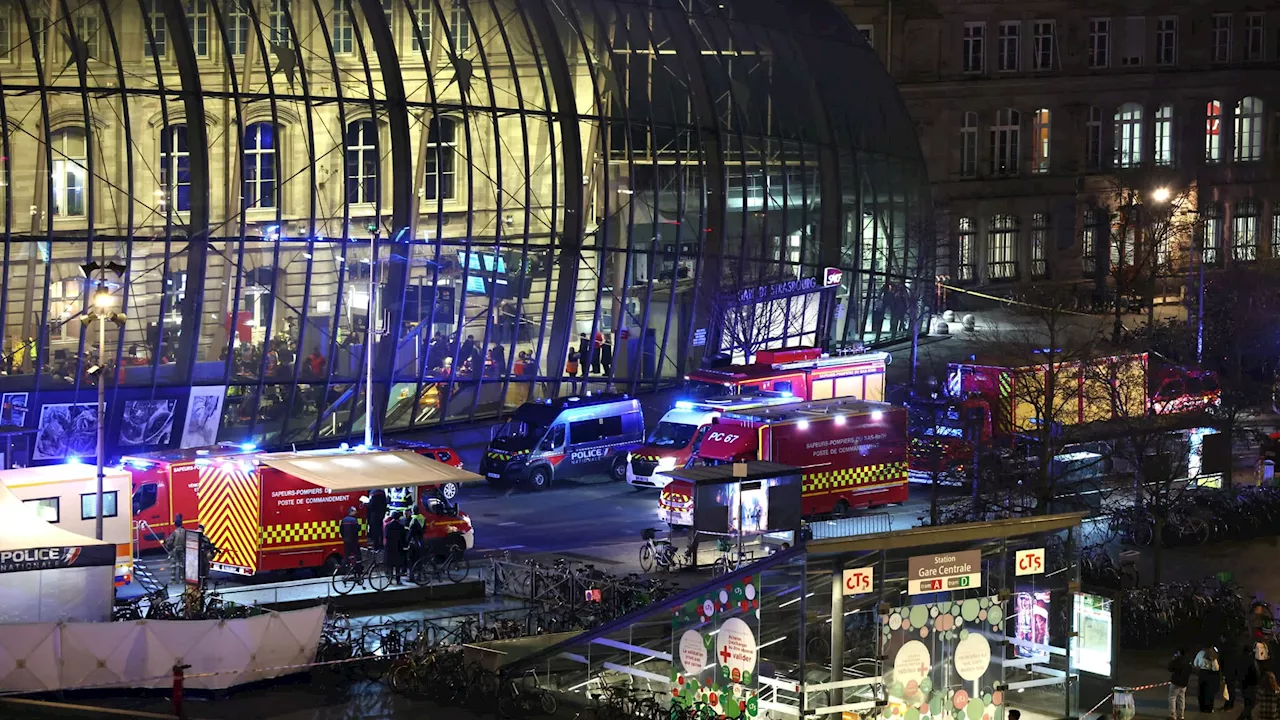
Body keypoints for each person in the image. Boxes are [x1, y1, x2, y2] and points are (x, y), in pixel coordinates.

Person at [1197, 645, 1223, 713]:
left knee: (1201, 691)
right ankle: (1208, 708)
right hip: (1210, 674)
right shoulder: (1213, 654)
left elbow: (1195, 663)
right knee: (1209, 692)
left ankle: (1201, 707)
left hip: (1202, 673)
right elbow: (1216, 668)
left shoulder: (1200, 652)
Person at [1169, 646, 1193, 720]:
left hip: (1175, 682)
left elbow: (1170, 668)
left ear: (1179, 652)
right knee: (1182, 698)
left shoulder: (1177, 660)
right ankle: (1181, 715)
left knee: (1172, 698)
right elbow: (1190, 670)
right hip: (1184, 683)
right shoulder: (1188, 661)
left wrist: (1173, 659)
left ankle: (1172, 715)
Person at [384, 510, 408, 585]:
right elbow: (404, 537)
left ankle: (390, 580)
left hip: (390, 547)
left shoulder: (388, 526)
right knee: (398, 565)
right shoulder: (401, 527)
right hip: (398, 547)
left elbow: (386, 536)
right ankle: (398, 580)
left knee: (390, 565)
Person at [1240, 643, 1263, 720]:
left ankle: (1248, 717)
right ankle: (1242, 717)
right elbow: (1256, 673)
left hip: (1243, 684)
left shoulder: (1241, 659)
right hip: (1251, 684)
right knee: (1252, 703)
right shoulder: (1252, 660)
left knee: (1247, 702)